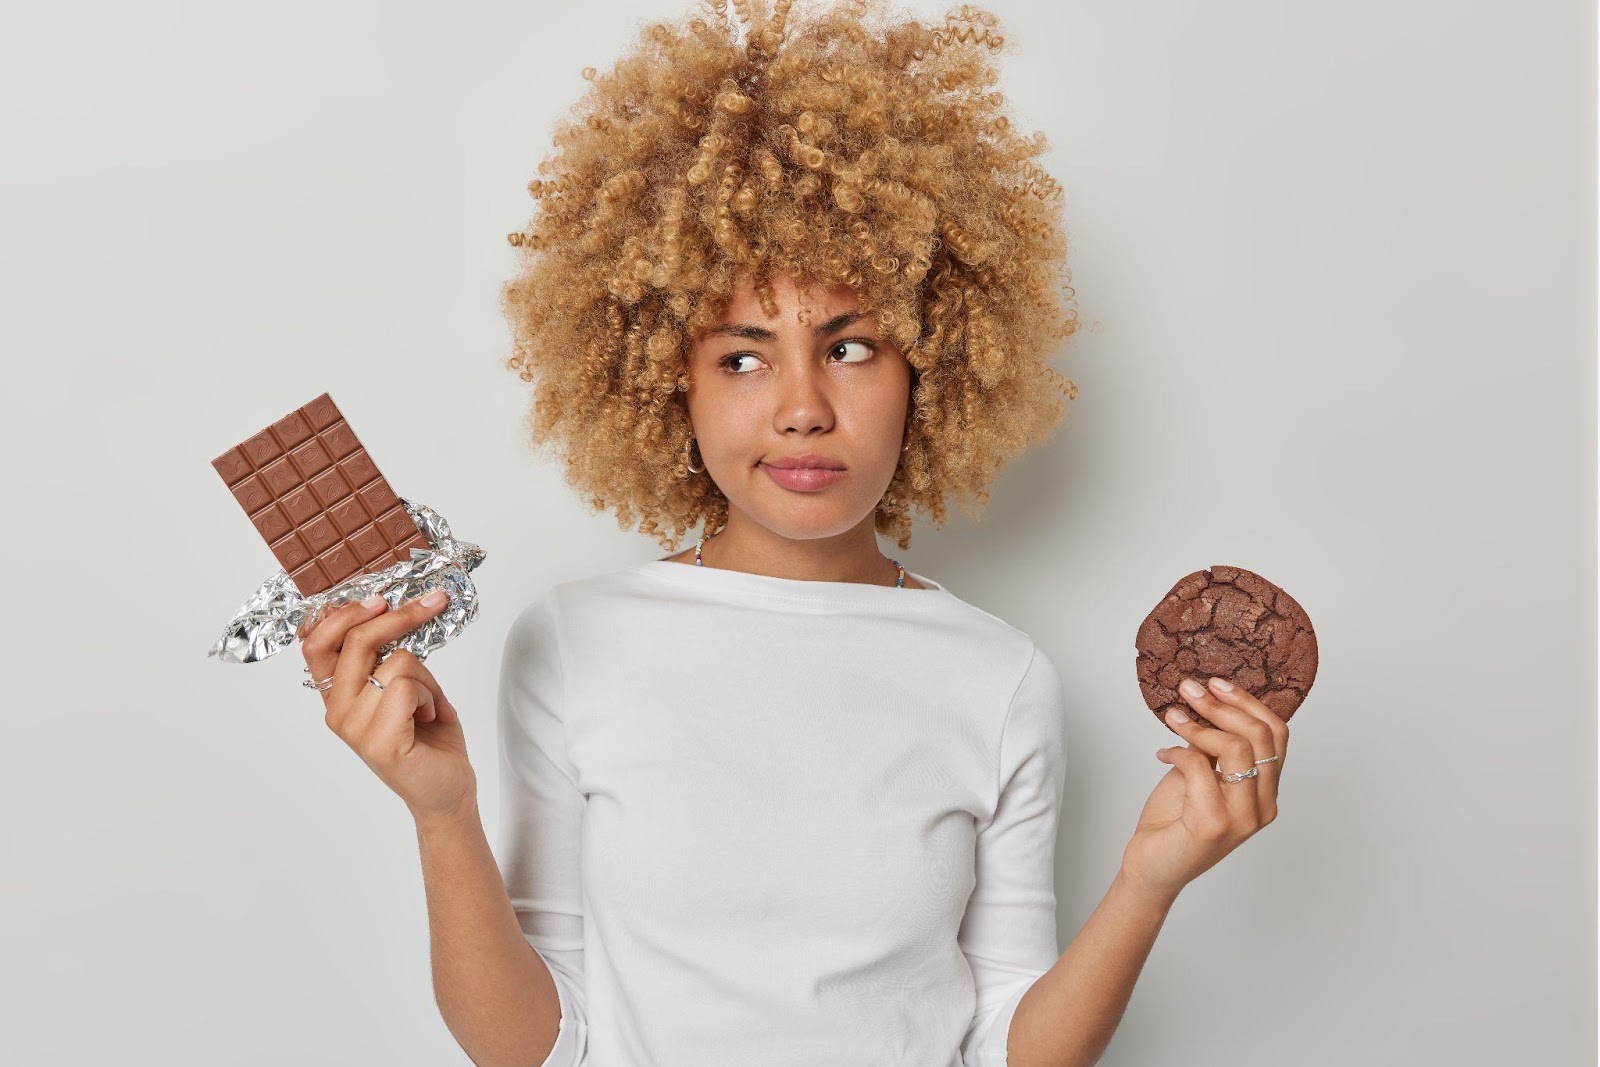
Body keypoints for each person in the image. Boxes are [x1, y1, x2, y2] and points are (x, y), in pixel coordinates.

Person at [301, 1, 1288, 1064]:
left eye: (852, 347)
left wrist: (1149, 879)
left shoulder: (999, 676)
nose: (802, 407)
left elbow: (1010, 1045)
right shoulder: (573, 642)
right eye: (741, 356)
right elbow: (533, 1045)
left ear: (933, 362)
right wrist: (442, 813)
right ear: (663, 375)